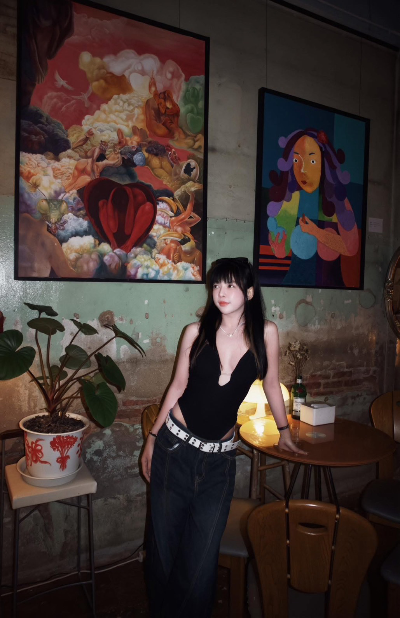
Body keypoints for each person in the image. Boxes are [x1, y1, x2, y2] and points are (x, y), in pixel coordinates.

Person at [141, 257, 304, 617]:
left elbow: (272, 384)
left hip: (219, 462)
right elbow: (177, 386)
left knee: (201, 564)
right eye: (216, 284)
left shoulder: (267, 333)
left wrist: (284, 431)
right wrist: (152, 438)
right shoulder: (195, 332)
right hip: (174, 447)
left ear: (249, 292)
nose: (221, 292)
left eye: (230, 284)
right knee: (164, 552)